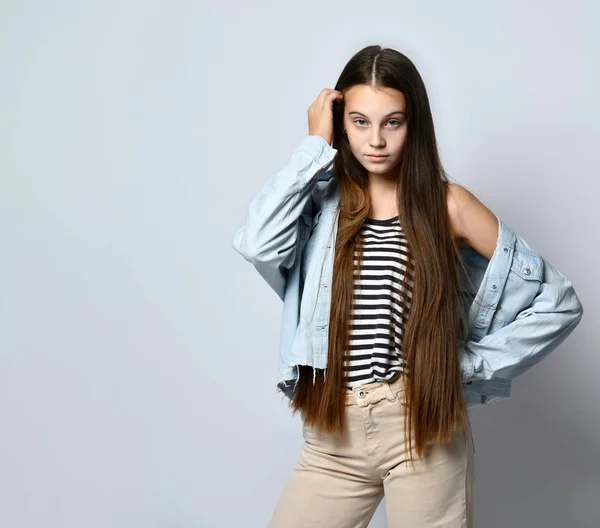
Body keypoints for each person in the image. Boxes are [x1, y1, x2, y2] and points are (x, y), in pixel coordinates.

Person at [231, 45, 583, 528]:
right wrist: (313, 147)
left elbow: (558, 302)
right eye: (359, 122)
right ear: (339, 122)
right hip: (332, 434)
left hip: (422, 430)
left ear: (413, 123)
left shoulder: (448, 205)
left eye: (392, 122)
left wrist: (465, 366)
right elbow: (258, 244)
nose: (376, 140)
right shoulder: (319, 204)